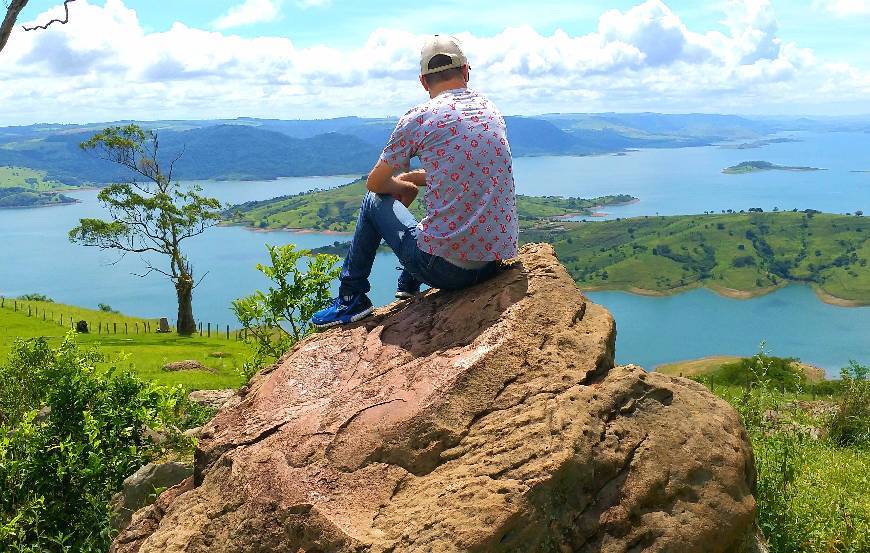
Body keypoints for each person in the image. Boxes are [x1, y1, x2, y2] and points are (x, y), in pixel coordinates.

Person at [311, 35, 518, 328]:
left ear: (423, 82)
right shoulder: (490, 109)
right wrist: (416, 179)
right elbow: (466, 173)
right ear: (466, 72)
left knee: (373, 202)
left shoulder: (420, 117)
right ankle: (408, 285)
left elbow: (375, 183)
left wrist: (402, 186)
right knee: (438, 213)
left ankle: (351, 298)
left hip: (447, 272)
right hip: (492, 263)